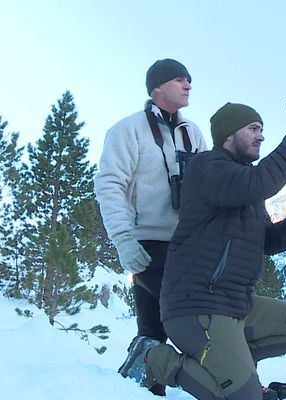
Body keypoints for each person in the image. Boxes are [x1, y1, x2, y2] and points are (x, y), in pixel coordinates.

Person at [118, 101, 286, 400]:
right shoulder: (208, 168)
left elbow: (269, 242)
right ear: (229, 135)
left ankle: (232, 361)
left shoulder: (243, 185)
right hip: (198, 307)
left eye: (262, 130)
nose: (260, 136)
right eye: (253, 129)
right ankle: (154, 358)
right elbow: (262, 182)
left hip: (236, 306)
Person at [94, 59, 207, 396]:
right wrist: (123, 238)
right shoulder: (127, 130)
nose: (188, 85)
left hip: (188, 244)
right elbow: (109, 184)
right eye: (179, 79)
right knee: (174, 319)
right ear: (157, 87)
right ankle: (143, 385)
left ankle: (142, 384)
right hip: (147, 243)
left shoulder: (193, 133)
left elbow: (209, 186)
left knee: (169, 322)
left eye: (189, 80)